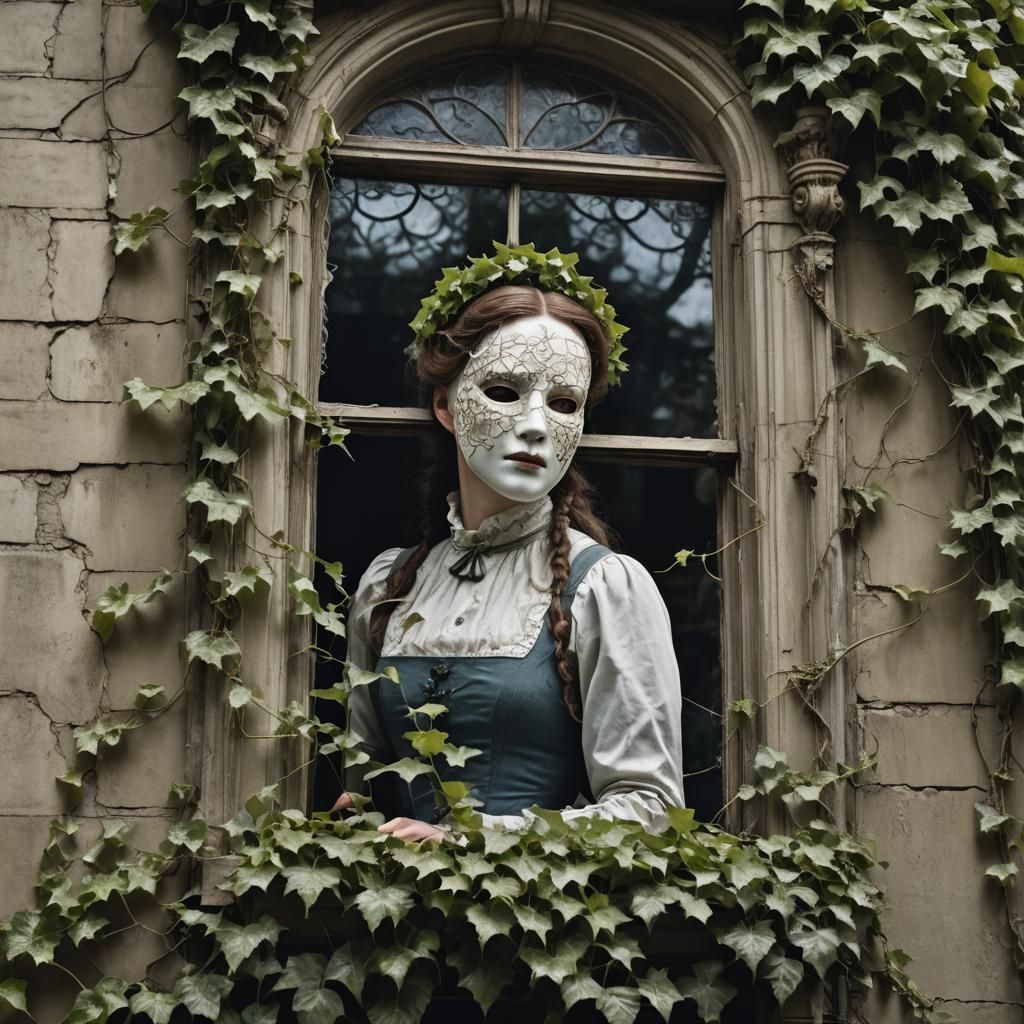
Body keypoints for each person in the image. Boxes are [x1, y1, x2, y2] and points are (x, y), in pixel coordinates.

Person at [332, 249, 684, 842]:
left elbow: (649, 812)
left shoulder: (605, 587)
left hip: (541, 927)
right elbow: (362, 782)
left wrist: (474, 839)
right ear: (444, 404)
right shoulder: (388, 585)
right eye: (503, 390)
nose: (537, 425)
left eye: (564, 403)